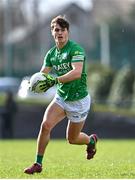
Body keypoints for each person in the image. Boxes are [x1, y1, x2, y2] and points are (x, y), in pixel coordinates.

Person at [24, 15, 98, 174]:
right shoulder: (51, 54)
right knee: (45, 126)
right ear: (52, 32)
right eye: (56, 30)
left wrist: (54, 81)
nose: (60, 32)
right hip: (61, 98)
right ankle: (38, 164)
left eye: (63, 30)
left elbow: (77, 72)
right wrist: (34, 84)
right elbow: (42, 75)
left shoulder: (75, 49)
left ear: (67, 32)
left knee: (72, 139)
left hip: (79, 100)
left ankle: (91, 140)